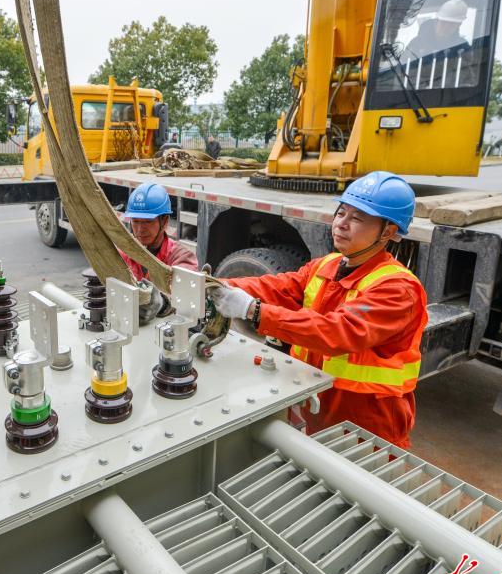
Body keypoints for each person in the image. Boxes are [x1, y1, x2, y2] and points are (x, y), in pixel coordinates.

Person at [210, 172, 427, 448]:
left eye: (357, 218)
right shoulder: (330, 264)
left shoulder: (398, 288)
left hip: (368, 426)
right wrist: (219, 285)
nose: (341, 224)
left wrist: (253, 311)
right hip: (321, 410)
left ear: (388, 232)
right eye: (341, 213)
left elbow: (337, 332)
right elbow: (280, 287)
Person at [120, 182, 198, 323]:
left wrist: (162, 303)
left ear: (165, 221)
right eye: (135, 221)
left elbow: (186, 293)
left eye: (147, 222)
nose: (140, 229)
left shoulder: (181, 257)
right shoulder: (123, 253)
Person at [405, 0, 477, 88]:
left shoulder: (462, 49)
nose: (446, 27)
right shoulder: (416, 44)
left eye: (452, 24)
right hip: (416, 98)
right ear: (437, 20)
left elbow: (468, 78)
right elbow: (403, 74)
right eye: (443, 22)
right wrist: (424, 89)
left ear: (459, 24)